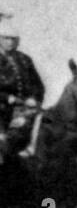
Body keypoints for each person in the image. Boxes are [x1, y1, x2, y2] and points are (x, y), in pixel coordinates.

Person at [0, 13, 44, 158]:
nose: (10, 42)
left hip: (25, 110)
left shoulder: (24, 59)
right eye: (6, 38)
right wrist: (8, 98)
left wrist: (34, 99)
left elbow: (39, 85)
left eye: (13, 39)